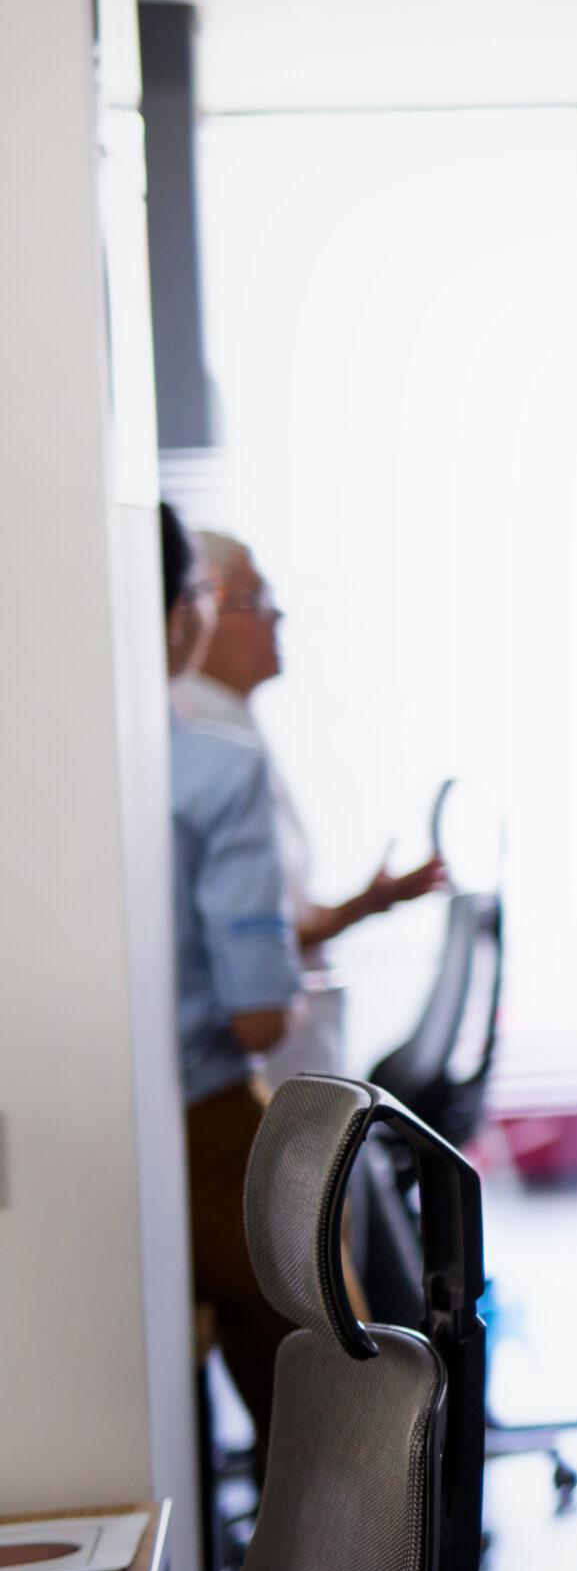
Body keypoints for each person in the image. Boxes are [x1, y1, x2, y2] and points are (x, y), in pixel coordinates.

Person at [173, 530, 445, 1085]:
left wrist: (366, 904)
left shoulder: (235, 731)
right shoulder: (204, 750)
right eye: (257, 601)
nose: (278, 619)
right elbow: (236, 947)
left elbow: (275, 915)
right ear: (198, 610)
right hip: (256, 1071)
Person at [161, 503, 302, 1461]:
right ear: (182, 616)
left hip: (76, 1139)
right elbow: (258, 1017)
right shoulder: (214, 766)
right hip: (206, 1123)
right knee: (344, 1393)